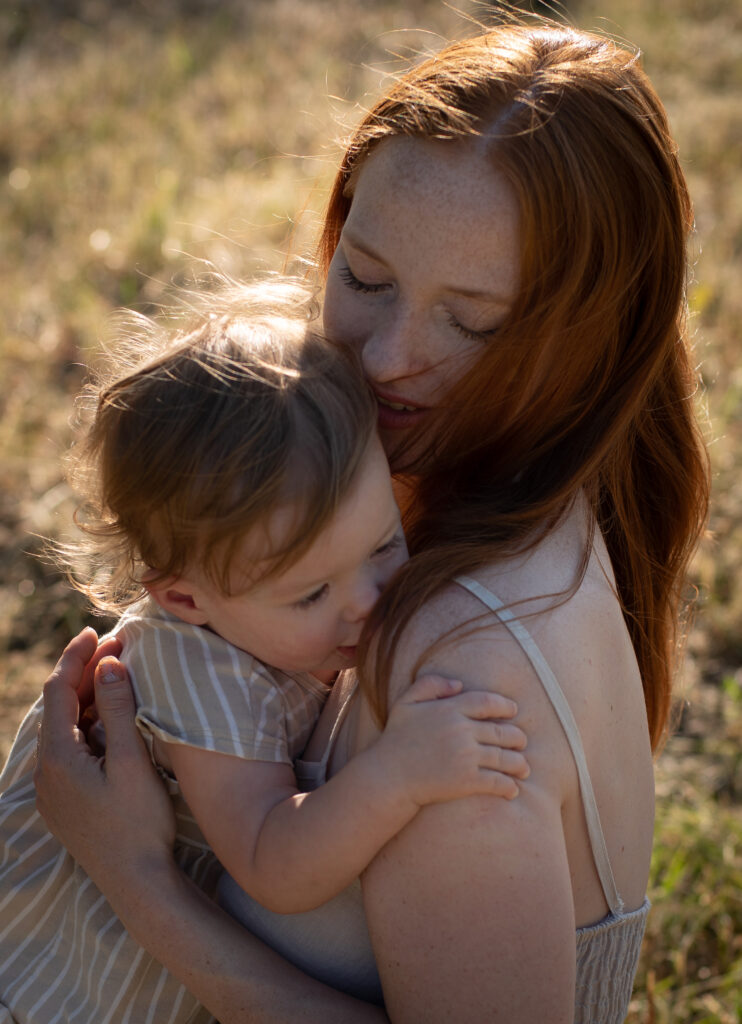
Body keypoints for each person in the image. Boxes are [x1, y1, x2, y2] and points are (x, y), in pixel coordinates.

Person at [32, 17, 710, 1024]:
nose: (387, 357)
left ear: (593, 344)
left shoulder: (459, 678)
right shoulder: (444, 497)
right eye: (364, 277)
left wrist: (133, 876)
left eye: (472, 321)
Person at [0, 280, 529, 1024]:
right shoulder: (194, 670)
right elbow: (274, 864)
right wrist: (398, 773)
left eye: (384, 544)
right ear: (186, 598)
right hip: (62, 997)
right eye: (311, 594)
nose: (369, 600)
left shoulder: (267, 617)